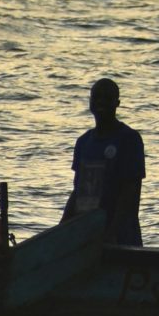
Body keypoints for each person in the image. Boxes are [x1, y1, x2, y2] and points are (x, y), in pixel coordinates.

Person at [64, 78, 146, 246]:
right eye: (96, 97)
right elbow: (78, 191)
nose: (101, 102)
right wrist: (62, 228)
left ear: (117, 103)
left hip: (120, 237)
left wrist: (112, 233)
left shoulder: (129, 139)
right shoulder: (83, 142)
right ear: (90, 101)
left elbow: (129, 193)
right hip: (86, 235)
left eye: (107, 98)